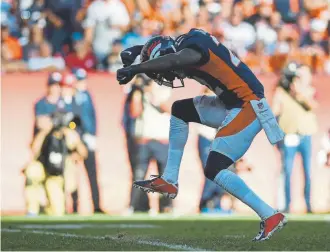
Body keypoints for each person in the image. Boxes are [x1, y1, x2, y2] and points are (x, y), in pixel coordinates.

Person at [117, 28, 287, 241]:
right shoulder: (186, 43)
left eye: (163, 73)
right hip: (232, 103)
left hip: (248, 106)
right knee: (180, 110)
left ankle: (270, 215)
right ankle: (169, 179)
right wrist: (136, 50)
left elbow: (174, 59)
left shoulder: (192, 51)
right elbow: (170, 53)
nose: (168, 77)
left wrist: (136, 68)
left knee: (214, 168)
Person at [272, 63, 318, 213]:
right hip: (288, 134)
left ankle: (308, 204)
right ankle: (286, 204)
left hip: (305, 134)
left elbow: (313, 105)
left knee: (307, 171)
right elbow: (274, 111)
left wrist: (298, 94)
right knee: (287, 170)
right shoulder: (280, 92)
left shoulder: (308, 90)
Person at [72, 68, 103, 213]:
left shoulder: (87, 95)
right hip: (75, 139)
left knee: (92, 173)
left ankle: (96, 206)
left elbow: (93, 116)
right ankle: (73, 207)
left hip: (88, 138)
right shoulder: (71, 96)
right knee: (72, 174)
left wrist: (93, 135)